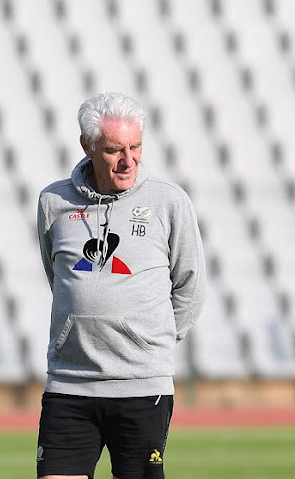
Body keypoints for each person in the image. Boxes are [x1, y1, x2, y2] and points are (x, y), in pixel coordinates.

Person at [35, 91, 207, 479]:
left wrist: (150, 341)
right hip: (69, 384)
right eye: (115, 150)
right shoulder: (53, 201)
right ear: (88, 146)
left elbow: (190, 286)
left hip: (141, 385)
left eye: (136, 146)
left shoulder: (169, 201)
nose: (128, 160)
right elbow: (58, 276)